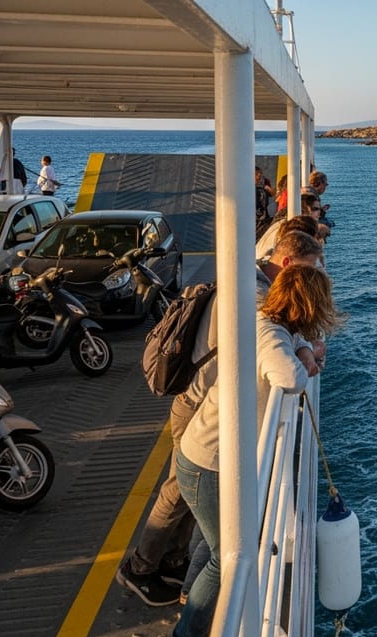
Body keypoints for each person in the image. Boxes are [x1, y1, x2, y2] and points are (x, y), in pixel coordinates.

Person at [116, 232, 325, 610]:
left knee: (186, 493)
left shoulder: (251, 278)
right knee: (178, 490)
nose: (316, 277)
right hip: (199, 404)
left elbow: (282, 333)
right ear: (289, 266)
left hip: (206, 400)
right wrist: (305, 349)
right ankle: (139, 568)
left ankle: (173, 561)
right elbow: (274, 335)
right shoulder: (258, 298)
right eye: (311, 271)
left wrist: (303, 346)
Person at [164, 264, 340, 637]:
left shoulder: (269, 325)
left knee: (210, 543)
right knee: (229, 554)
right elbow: (289, 377)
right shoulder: (269, 335)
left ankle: (192, 602)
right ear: (308, 305)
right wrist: (307, 354)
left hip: (205, 456)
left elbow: (287, 352)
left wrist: (301, 346)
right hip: (209, 464)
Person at [255, 165, 274, 231]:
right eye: (256, 173)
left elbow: (272, 194)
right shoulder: (247, 183)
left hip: (264, 213)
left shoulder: (265, 181)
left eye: (260, 173)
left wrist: (268, 189)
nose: (259, 175)